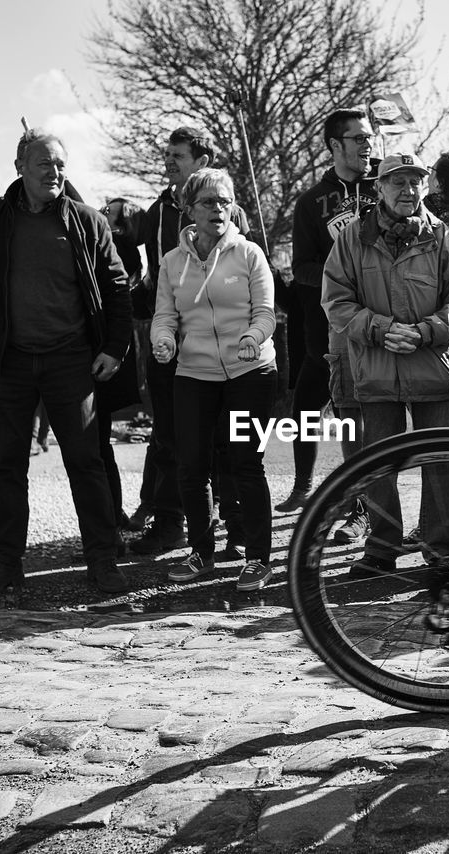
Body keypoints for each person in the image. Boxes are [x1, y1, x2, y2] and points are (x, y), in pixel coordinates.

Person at [0, 129, 133, 597]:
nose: (55, 173)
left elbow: (116, 286)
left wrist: (114, 347)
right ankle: (4, 565)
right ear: (20, 167)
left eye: (61, 165)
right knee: (8, 466)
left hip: (72, 360)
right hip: (8, 359)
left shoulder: (88, 222)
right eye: (45, 164)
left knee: (85, 462)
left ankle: (103, 562)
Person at [323, 153, 449, 576]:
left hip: (433, 366)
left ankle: (442, 550)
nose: (408, 190)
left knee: (441, 463)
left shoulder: (445, 237)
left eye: (415, 182)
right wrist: (379, 328)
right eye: (397, 182)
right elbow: (336, 303)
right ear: (379, 188)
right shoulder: (350, 240)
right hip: (374, 367)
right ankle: (381, 548)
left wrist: (425, 331)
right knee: (377, 463)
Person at [150, 168, 277, 591]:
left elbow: (265, 313)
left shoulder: (250, 254)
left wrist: (252, 338)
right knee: (191, 465)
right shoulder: (172, 262)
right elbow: (165, 315)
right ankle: (201, 553)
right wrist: (164, 340)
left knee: (245, 464)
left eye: (225, 201)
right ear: (189, 209)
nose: (218, 209)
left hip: (251, 369)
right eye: (208, 202)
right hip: (194, 372)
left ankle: (259, 559)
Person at [125, 128, 223, 555]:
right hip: (168, 338)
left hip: (213, 339)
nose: (169, 161)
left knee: (215, 433)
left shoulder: (222, 206)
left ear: (201, 160)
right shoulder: (157, 210)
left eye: (178, 155)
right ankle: (168, 521)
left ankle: (219, 517)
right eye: (167, 154)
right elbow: (151, 272)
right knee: (166, 433)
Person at [285, 109, 379, 526]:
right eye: (358, 138)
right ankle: (307, 486)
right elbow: (301, 268)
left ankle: (376, 515)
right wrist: (337, 272)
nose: (367, 144)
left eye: (370, 137)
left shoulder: (389, 184)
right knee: (313, 412)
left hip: (383, 325)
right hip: (327, 332)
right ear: (335, 146)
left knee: (372, 423)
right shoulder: (309, 203)